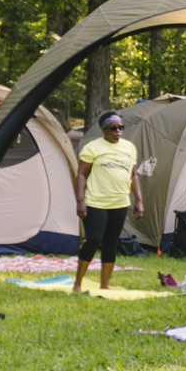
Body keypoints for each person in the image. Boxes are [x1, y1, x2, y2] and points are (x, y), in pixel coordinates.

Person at [73, 111, 141, 294]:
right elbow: (81, 174)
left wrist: (139, 201)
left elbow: (133, 175)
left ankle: (104, 284)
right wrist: (80, 201)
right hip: (96, 202)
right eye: (113, 128)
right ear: (104, 130)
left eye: (120, 127)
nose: (118, 131)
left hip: (120, 202)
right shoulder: (92, 148)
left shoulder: (129, 148)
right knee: (94, 239)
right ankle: (77, 283)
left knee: (111, 243)